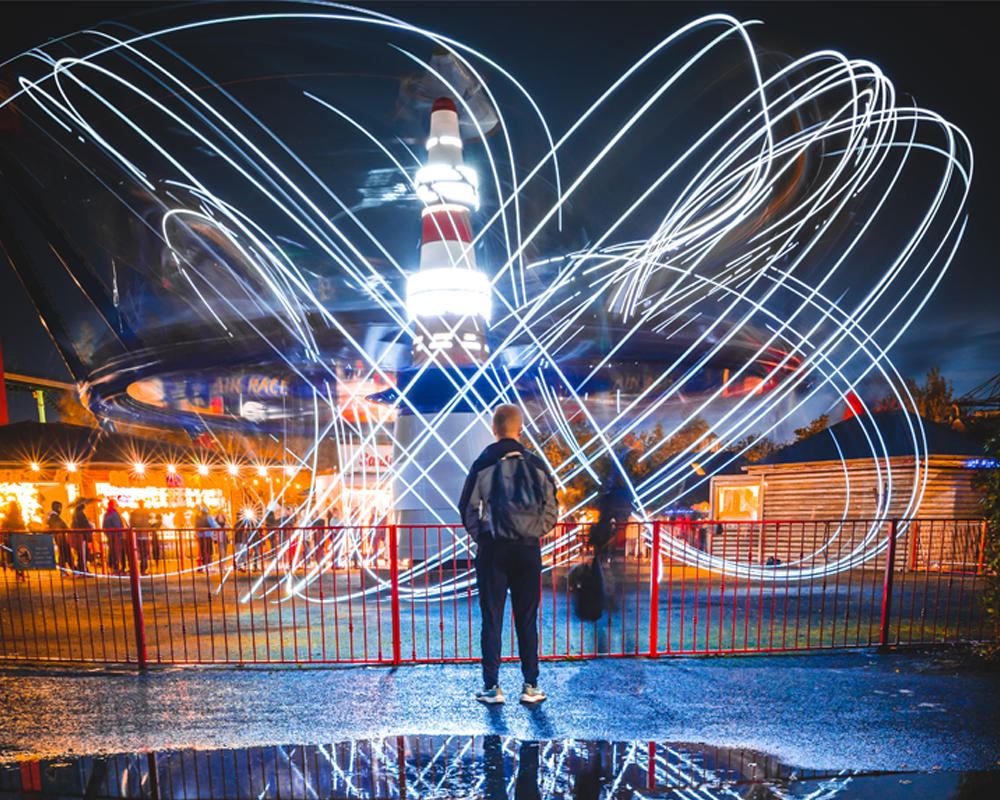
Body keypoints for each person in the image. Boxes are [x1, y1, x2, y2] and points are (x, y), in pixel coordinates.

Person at [459, 404, 558, 705]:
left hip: (494, 550)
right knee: (526, 619)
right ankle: (530, 686)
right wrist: (533, 533)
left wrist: (484, 535)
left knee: (492, 618)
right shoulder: (536, 464)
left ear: (494, 428)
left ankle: (492, 687)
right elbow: (552, 508)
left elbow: (467, 508)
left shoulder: (484, 462)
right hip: (528, 551)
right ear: (520, 428)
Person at [102, 499, 126, 574]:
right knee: (117, 551)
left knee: (111, 550)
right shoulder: (115, 514)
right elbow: (117, 525)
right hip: (116, 535)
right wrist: (120, 534)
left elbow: (104, 525)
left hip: (110, 535)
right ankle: (117, 567)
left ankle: (112, 566)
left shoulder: (106, 514)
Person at [69, 502, 93, 573]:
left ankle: (82, 567)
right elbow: (84, 525)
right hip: (81, 536)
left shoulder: (76, 513)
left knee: (81, 553)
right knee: (82, 553)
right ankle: (83, 569)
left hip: (79, 536)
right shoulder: (80, 514)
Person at [47, 501, 71, 570]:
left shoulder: (53, 516)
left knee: (64, 554)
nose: (60, 509)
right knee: (64, 554)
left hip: (61, 538)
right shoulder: (54, 517)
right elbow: (61, 525)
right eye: (59, 508)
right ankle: (66, 570)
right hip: (61, 538)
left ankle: (67, 570)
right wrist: (66, 528)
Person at [130, 501, 152, 574]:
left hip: (137, 535)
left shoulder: (134, 513)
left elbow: (131, 523)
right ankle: (143, 569)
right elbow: (149, 522)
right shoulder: (146, 513)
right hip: (144, 535)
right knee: (145, 553)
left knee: (136, 552)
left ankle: (134, 569)